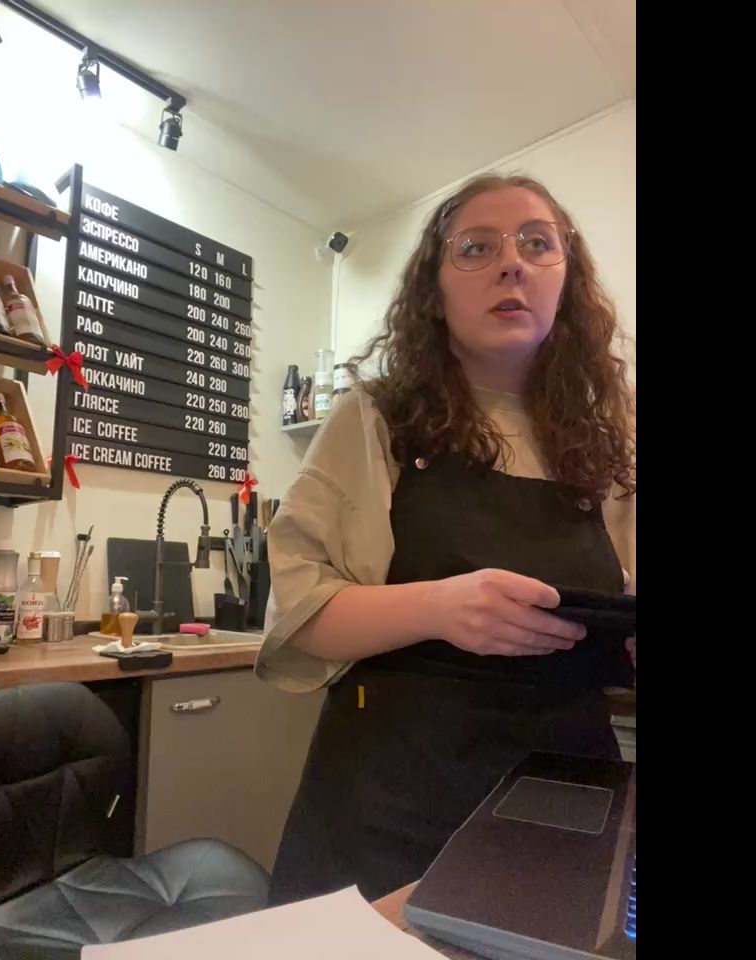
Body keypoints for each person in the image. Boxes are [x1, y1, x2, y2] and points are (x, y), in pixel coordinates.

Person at [256, 173, 636, 905]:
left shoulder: (610, 445)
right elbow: (298, 613)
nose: (511, 263)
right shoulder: (374, 419)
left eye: (537, 244)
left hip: (566, 798)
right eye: (476, 248)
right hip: (391, 804)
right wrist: (440, 607)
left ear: (567, 279)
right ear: (434, 290)